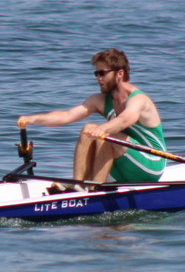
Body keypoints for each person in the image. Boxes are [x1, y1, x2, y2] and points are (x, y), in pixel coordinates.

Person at [16, 48, 167, 183]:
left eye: (102, 73)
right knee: (89, 129)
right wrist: (32, 119)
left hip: (151, 164)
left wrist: (103, 129)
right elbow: (66, 116)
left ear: (120, 74)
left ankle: (92, 189)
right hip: (125, 163)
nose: (98, 78)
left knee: (103, 134)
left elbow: (125, 119)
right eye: (96, 73)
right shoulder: (100, 100)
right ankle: (80, 186)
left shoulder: (138, 99)